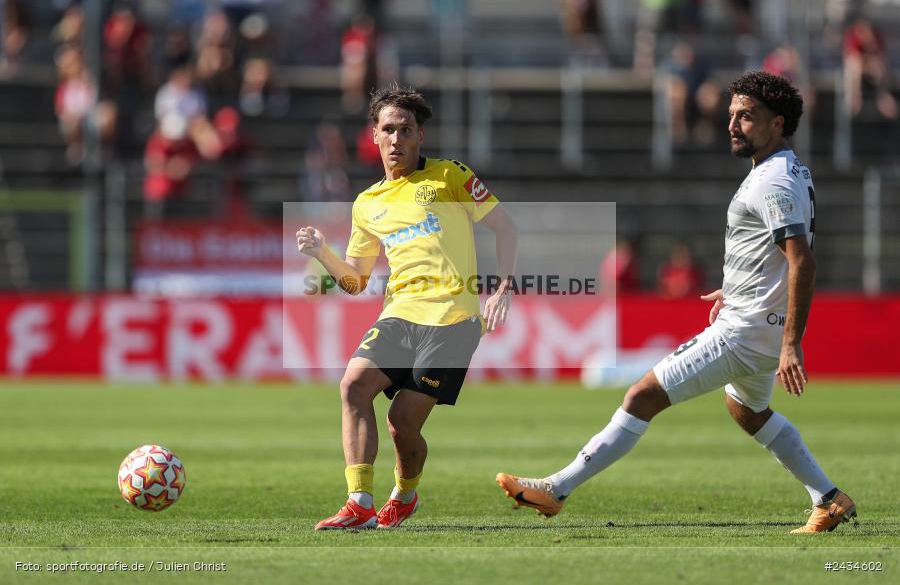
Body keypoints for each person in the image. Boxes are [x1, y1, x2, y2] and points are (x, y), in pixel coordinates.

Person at [497, 71, 856, 534]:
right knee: (746, 410)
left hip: (746, 331)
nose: (733, 124)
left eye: (746, 116)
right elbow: (773, 253)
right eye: (732, 114)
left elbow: (802, 261)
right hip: (755, 321)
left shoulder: (774, 181)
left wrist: (791, 343)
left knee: (641, 395)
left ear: (777, 123)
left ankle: (557, 489)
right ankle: (827, 497)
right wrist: (737, 288)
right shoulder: (783, 171)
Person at [297, 84, 518, 530]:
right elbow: (356, 281)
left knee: (401, 422)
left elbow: (505, 226)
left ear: (420, 136)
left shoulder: (449, 175)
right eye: (388, 130)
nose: (396, 138)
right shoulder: (367, 204)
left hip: (453, 320)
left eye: (405, 130)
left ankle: (405, 494)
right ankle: (358, 504)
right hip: (399, 315)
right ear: (374, 136)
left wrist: (503, 287)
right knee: (353, 386)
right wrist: (322, 253)